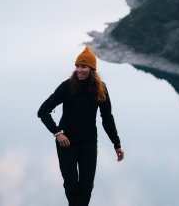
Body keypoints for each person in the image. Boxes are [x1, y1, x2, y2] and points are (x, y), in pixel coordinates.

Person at [37, 46, 124, 206]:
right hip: (66, 143)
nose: (79, 70)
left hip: (88, 144)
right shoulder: (67, 86)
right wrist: (58, 133)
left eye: (83, 66)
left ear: (92, 69)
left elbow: (107, 118)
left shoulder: (100, 88)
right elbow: (42, 111)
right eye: (77, 66)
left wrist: (116, 144)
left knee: (86, 188)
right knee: (71, 186)